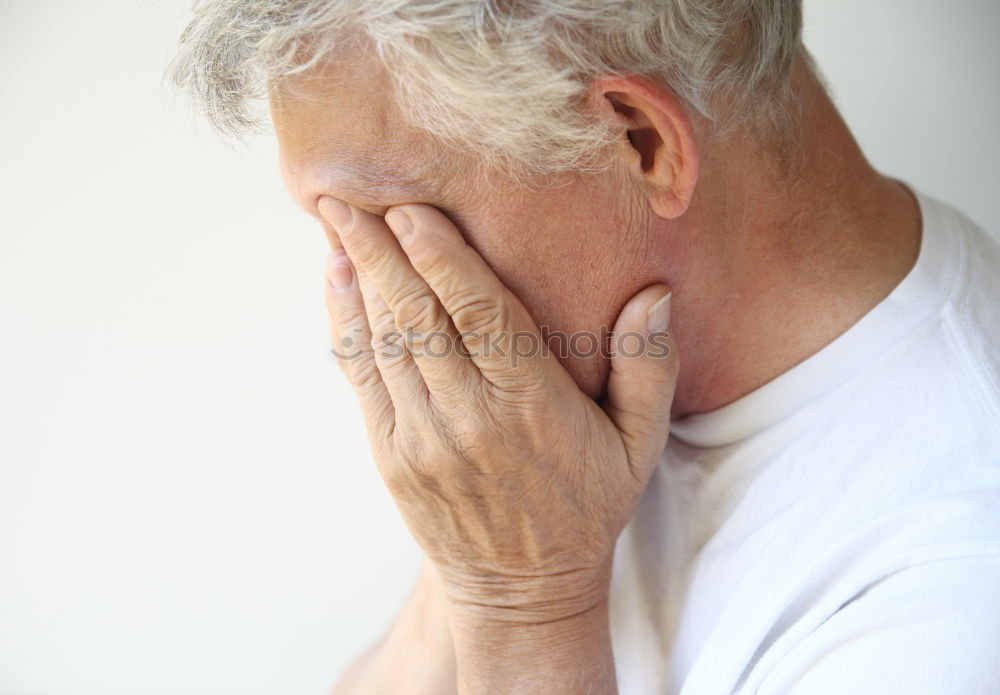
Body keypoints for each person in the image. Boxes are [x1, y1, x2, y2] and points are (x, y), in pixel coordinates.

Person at [171, 1, 1000, 693]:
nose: (365, 291)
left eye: (388, 219)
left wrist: (527, 614)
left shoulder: (952, 594)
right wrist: (476, 551)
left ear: (639, 143)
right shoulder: (557, 413)